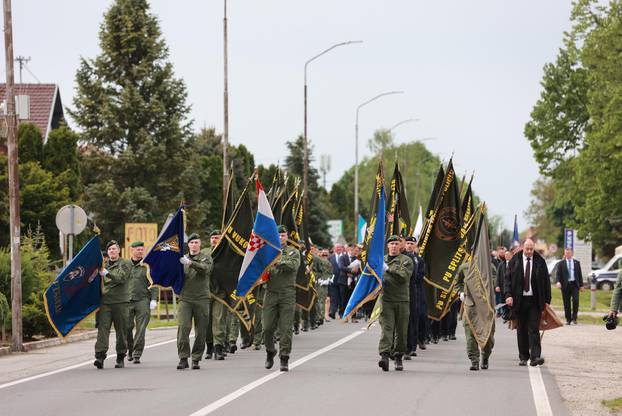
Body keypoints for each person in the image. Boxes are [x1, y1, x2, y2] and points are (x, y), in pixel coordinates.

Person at [504, 239, 551, 367]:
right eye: (527, 249)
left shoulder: (540, 261)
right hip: (519, 300)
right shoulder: (515, 260)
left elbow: (546, 281)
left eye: (531, 249)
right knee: (522, 329)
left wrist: (547, 301)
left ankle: (535, 356)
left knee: (534, 328)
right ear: (522, 248)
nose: (529, 251)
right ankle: (523, 356)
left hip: (535, 301)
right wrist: (508, 295)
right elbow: (507, 279)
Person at [263, 225, 300, 372]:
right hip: (270, 293)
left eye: (283, 235)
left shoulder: (293, 252)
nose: (280, 238)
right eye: (278, 235)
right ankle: (270, 350)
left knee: (285, 328)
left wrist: (278, 261)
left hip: (287, 294)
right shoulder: (267, 252)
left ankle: (284, 357)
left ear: (287, 237)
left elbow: (293, 266)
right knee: (267, 328)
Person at [176, 233, 213, 370]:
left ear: (200, 244)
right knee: (183, 328)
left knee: (201, 330)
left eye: (196, 242)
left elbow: (205, 270)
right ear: (188, 245)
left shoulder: (206, 258)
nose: (194, 245)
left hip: (202, 298)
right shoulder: (182, 259)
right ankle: (183, 357)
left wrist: (191, 263)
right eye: (191, 243)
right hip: (185, 298)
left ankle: (196, 358)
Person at [378, 235, 414, 372]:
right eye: (391, 244)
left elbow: (403, 277)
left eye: (396, 244)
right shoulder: (382, 260)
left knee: (401, 331)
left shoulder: (406, 261)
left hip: (402, 300)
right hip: (386, 300)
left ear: (400, 246)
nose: (393, 246)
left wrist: (388, 269)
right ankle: (384, 356)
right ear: (387, 246)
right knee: (387, 329)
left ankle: (398, 357)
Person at [94, 240, 131, 370]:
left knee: (121, 331)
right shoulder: (103, 265)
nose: (112, 251)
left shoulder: (125, 263)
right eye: (109, 250)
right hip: (105, 303)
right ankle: (100, 356)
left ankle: (120, 356)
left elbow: (122, 278)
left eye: (114, 249)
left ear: (119, 250)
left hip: (121, 302)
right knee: (103, 329)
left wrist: (107, 273)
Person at [126, 241, 157, 364]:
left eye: (141, 249)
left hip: (143, 300)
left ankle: (137, 353)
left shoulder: (147, 266)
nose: (140, 251)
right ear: (131, 250)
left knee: (141, 328)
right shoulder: (125, 265)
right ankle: (129, 349)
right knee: (126, 327)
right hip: (126, 300)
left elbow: (154, 284)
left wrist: (154, 299)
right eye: (137, 249)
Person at [403, 236, 422, 359]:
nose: (409, 245)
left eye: (412, 243)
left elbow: (420, 274)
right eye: (408, 243)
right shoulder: (403, 257)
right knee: (404, 320)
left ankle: (412, 346)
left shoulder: (418, 259)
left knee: (413, 318)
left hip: (415, 290)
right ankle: (404, 347)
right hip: (403, 290)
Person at [556, 248, 584, 325]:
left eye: (569, 253)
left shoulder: (576, 263)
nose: (567, 254)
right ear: (564, 254)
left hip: (575, 284)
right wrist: (558, 282)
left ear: (572, 254)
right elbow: (558, 274)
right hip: (565, 285)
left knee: (576, 300)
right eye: (566, 253)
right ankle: (568, 319)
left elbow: (579, 274)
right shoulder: (561, 263)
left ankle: (574, 318)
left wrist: (581, 285)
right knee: (566, 303)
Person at [327, 243, 344, 319]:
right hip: (333, 281)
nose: (338, 249)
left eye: (340, 247)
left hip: (343, 280)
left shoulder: (345, 257)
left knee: (341, 297)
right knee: (334, 297)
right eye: (337, 247)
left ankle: (341, 313)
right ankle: (332, 312)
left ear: (342, 248)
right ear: (334, 249)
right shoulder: (330, 258)